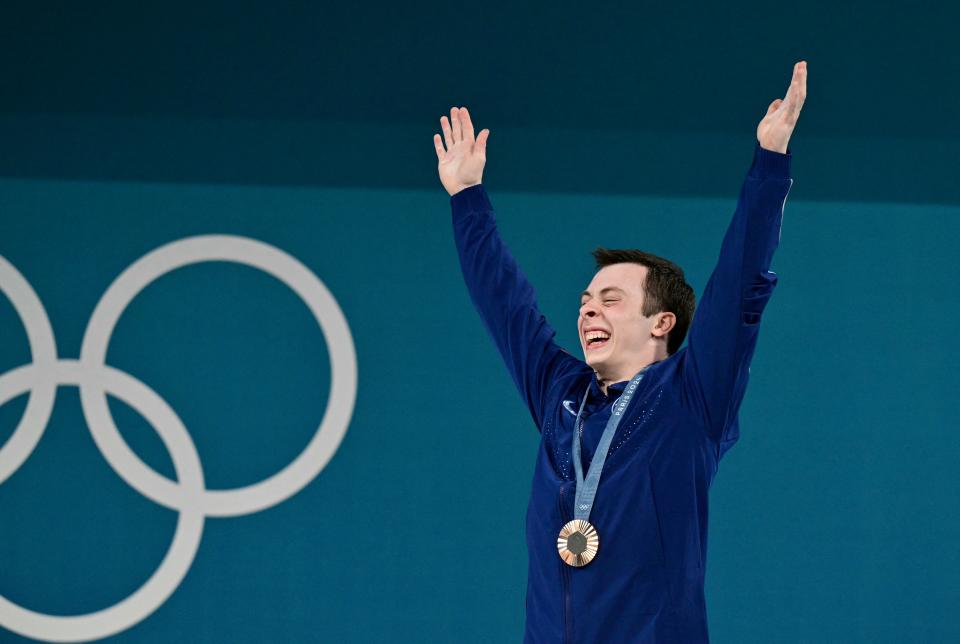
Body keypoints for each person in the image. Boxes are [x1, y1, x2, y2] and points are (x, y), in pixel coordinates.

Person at [433, 62, 807, 644]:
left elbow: (737, 286)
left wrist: (770, 164)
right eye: (584, 301)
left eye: (610, 299)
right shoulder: (563, 396)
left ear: (662, 322)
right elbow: (505, 306)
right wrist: (466, 198)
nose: (587, 311)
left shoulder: (691, 398)